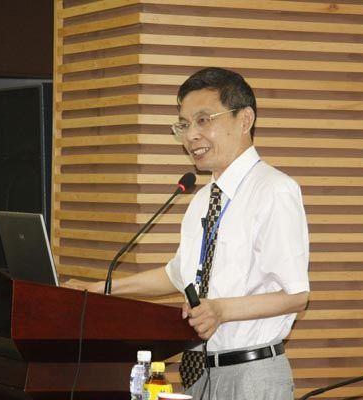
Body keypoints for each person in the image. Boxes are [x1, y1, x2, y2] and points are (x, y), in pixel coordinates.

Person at [65, 67, 310, 399]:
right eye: (184, 125)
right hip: (198, 373)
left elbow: (296, 295)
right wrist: (100, 291)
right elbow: (177, 275)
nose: (191, 136)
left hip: (251, 376)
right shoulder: (203, 199)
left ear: (244, 119)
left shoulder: (274, 190)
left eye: (203, 120)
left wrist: (221, 310)